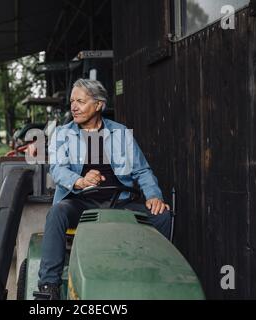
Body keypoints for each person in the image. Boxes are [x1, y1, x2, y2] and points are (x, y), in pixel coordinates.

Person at [37, 78, 171, 299]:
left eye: (80, 101)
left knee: (162, 215)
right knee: (57, 213)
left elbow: (142, 171)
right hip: (81, 203)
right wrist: (80, 180)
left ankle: (156, 275)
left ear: (98, 105)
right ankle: (48, 287)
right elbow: (58, 169)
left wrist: (154, 196)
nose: (73, 106)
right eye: (72, 101)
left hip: (120, 203)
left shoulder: (120, 134)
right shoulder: (63, 133)